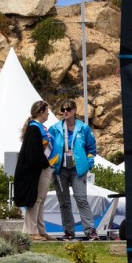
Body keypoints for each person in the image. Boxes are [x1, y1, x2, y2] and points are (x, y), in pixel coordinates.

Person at [48, 98, 98, 241]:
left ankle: (90, 231)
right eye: (62, 110)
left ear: (75, 110)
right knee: (64, 202)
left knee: (81, 199)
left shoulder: (83, 128)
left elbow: (91, 148)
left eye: (68, 109)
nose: (65, 112)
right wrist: (51, 162)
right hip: (60, 170)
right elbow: (47, 145)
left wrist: (88, 164)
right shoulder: (55, 128)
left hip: (78, 169)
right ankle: (69, 232)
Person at [13, 100, 52, 242]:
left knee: (41, 200)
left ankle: (41, 230)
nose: (48, 113)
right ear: (41, 112)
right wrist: (45, 163)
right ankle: (31, 231)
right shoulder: (34, 128)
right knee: (35, 199)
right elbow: (33, 152)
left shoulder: (39, 128)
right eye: (47, 111)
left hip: (43, 167)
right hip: (37, 168)